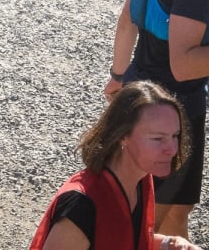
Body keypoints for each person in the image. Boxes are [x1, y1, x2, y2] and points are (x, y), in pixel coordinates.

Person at [106, 0, 209, 243]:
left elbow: (129, 14)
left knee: (157, 221)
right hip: (174, 114)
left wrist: (118, 77)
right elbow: (184, 64)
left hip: (140, 97)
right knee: (158, 230)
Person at [30, 81, 200, 250]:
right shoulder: (81, 206)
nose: (171, 149)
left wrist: (168, 244)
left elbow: (125, 241)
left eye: (175, 136)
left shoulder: (141, 178)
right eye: (157, 139)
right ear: (122, 136)